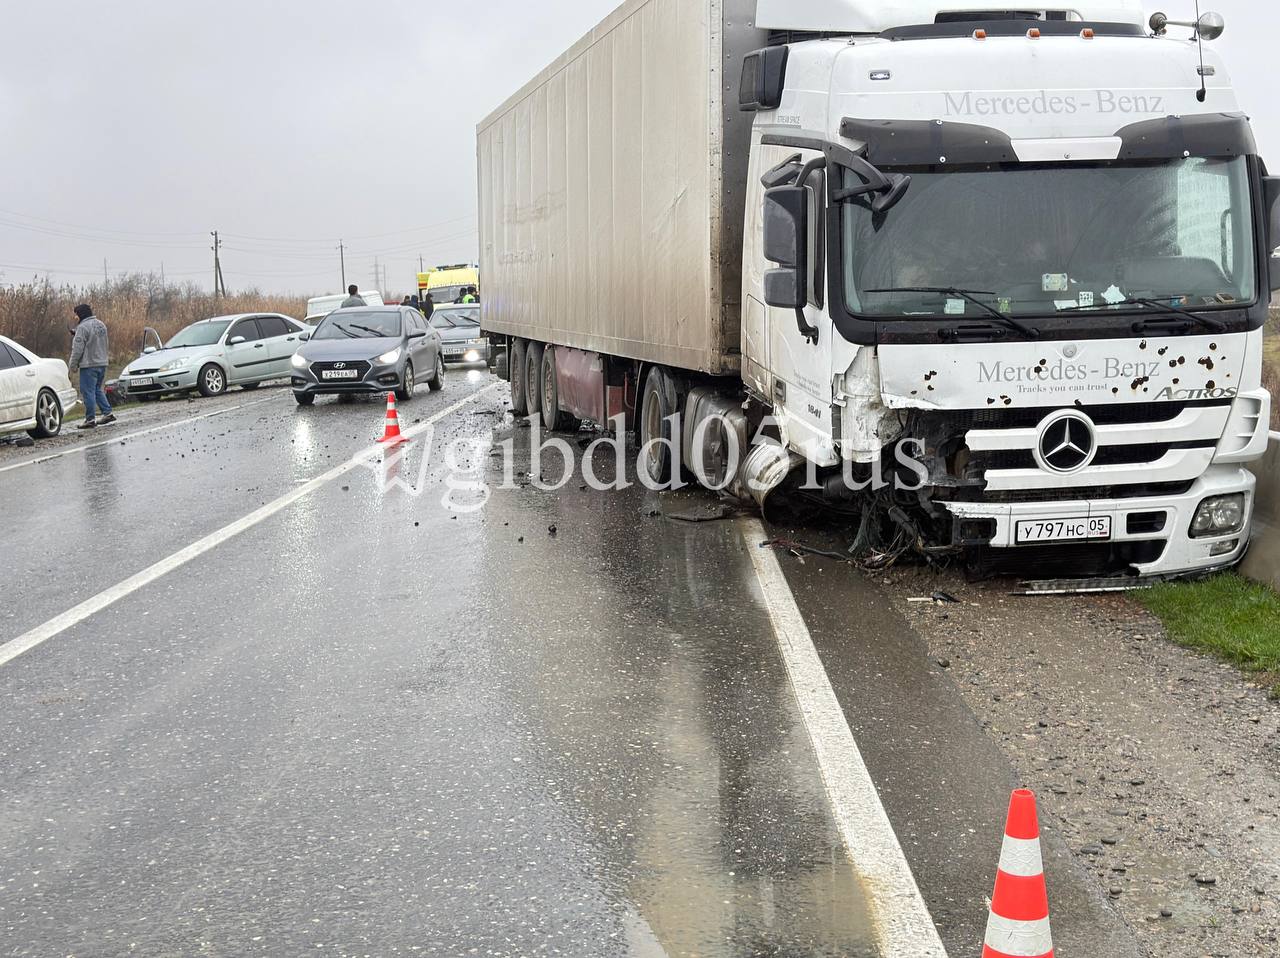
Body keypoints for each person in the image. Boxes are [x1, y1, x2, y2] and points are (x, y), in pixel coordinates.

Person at [68, 303, 115, 429]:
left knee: (87, 391)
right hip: (102, 362)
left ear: (81, 314)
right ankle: (107, 413)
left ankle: (90, 419)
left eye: (76, 314)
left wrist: (72, 365)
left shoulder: (82, 328)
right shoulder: (101, 324)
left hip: (89, 364)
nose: (75, 317)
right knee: (97, 389)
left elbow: (77, 349)